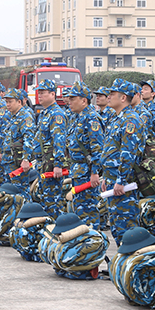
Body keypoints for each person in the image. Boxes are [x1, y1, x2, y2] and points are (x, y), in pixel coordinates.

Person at [99, 79, 144, 246]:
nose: (108, 97)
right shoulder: (116, 118)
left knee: (127, 229)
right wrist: (106, 178)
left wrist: (120, 180)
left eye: (112, 94)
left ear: (123, 97)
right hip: (113, 181)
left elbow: (128, 154)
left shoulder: (130, 120)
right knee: (117, 227)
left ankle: (131, 267)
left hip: (124, 185)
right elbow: (111, 152)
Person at [65, 82, 103, 227]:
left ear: (84, 100)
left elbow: (97, 149)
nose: (69, 101)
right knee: (79, 210)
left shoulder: (91, 119)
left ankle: (93, 243)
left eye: (73, 98)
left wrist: (94, 172)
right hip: (77, 171)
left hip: (87, 172)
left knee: (88, 210)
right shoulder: (77, 118)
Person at [34, 79, 68, 218]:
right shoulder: (45, 113)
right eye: (38, 93)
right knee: (45, 199)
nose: (39, 96)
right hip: (43, 163)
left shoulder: (56, 114)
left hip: (51, 164)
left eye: (43, 93)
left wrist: (58, 165)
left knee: (52, 201)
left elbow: (59, 141)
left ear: (52, 94)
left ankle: (55, 231)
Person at [1, 89, 36, 195]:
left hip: (18, 162)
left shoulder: (25, 117)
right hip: (9, 160)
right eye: (6, 102)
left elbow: (29, 139)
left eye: (10, 101)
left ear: (19, 102)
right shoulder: (12, 116)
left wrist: (26, 159)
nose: (8, 104)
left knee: (20, 191)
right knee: (10, 192)